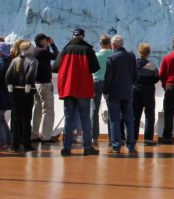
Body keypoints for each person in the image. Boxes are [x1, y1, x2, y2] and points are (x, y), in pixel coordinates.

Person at [54, 28, 100, 156]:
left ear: (72, 36)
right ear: (83, 37)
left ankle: (67, 148)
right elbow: (95, 68)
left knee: (69, 119)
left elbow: (55, 67)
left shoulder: (65, 49)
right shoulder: (88, 50)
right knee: (85, 118)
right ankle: (87, 147)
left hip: (68, 88)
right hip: (83, 89)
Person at [103, 35, 137, 154]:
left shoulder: (111, 58)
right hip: (127, 92)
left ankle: (116, 146)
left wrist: (105, 91)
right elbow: (134, 75)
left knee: (114, 120)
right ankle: (131, 146)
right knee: (129, 119)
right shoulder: (131, 56)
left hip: (114, 93)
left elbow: (108, 78)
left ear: (114, 45)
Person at [5, 39, 37, 153]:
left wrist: (10, 85)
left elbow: (8, 75)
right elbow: (31, 74)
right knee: (26, 119)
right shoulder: (33, 61)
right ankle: (27, 144)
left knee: (16, 118)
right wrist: (28, 84)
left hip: (15, 92)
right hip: (27, 92)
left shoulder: (15, 60)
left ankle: (15, 145)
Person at [30, 33, 59, 143]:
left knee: (37, 110)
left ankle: (35, 134)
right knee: (48, 109)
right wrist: (52, 44)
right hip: (45, 84)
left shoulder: (34, 51)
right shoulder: (43, 52)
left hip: (36, 84)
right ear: (42, 41)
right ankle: (46, 135)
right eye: (46, 40)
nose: (47, 41)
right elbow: (57, 56)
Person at [133, 43, 158, 146]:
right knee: (149, 115)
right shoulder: (151, 65)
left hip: (135, 91)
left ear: (139, 52)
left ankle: (133, 138)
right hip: (148, 92)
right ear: (148, 53)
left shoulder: (133, 64)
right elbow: (156, 78)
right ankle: (148, 139)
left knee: (135, 115)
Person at [91, 34, 112, 145]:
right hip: (109, 83)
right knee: (111, 110)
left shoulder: (96, 55)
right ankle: (111, 136)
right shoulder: (113, 55)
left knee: (95, 110)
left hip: (96, 82)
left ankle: (94, 137)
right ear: (110, 44)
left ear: (100, 44)